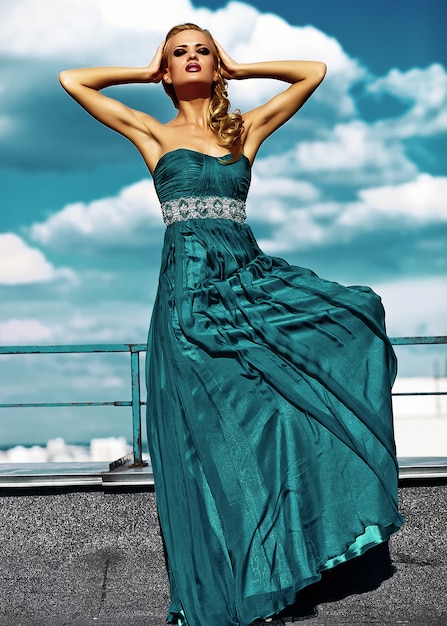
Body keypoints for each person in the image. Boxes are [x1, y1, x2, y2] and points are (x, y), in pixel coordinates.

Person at [59, 22, 404, 626]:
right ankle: (228, 588)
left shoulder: (245, 129)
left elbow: (312, 73)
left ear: (217, 65)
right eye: (180, 54)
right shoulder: (151, 131)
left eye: (203, 52)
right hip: (187, 299)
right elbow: (72, 80)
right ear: (166, 70)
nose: (192, 59)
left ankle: (278, 562)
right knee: (205, 446)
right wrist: (146, 73)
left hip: (246, 281)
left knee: (344, 328)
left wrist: (239, 70)